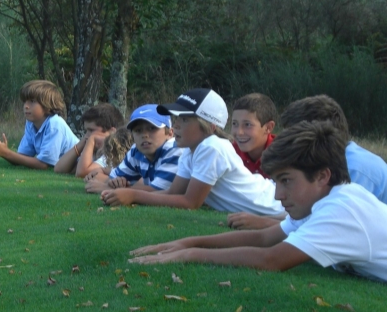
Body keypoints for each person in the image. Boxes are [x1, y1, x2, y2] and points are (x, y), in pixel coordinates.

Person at [129, 121, 387, 283]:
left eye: (286, 181)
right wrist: (187, 241)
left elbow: (271, 259)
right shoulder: (325, 199)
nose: (278, 195)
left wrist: (190, 254)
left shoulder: (341, 209)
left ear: (322, 176)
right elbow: (264, 238)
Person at [101, 88, 283, 217]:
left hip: (276, 207)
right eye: (177, 118)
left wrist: (133, 195)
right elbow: (174, 193)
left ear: (209, 127)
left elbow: (190, 203)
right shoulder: (189, 150)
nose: (176, 125)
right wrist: (128, 194)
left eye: (185, 119)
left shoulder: (212, 147)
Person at [228, 94, 387, 229]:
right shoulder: (334, 159)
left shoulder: (354, 168)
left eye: (295, 137)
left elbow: (328, 225)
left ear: (317, 134)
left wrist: (263, 223)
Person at [84, 105, 181, 194]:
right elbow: (113, 178)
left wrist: (109, 189)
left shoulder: (174, 149)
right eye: (138, 130)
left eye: (152, 128)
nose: (144, 135)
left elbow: (158, 190)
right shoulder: (136, 151)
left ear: (170, 133)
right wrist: (117, 182)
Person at [0, 80, 78, 170]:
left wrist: (6, 153)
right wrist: (3, 151)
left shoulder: (54, 124)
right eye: (25, 101)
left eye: (32, 101)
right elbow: (22, 157)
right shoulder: (31, 123)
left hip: (83, 164)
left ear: (48, 106)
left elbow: (43, 164)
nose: (26, 106)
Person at [54, 103, 124, 176]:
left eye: (91, 130)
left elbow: (82, 172)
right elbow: (59, 169)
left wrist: (91, 139)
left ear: (111, 132)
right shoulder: (93, 150)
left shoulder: (112, 153)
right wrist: (80, 145)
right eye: (86, 131)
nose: (87, 135)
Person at [230, 93, 277, 178]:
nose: (239, 132)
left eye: (247, 125)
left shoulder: (284, 155)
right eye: (234, 123)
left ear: (268, 128)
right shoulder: (230, 154)